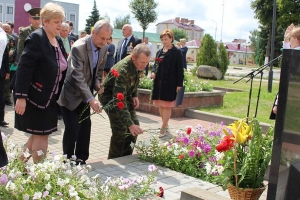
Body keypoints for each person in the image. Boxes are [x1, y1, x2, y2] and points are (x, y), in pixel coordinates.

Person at [14, 3, 67, 163]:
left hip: (50, 97)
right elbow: (24, 68)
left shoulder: (57, 40)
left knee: (39, 134)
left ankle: (18, 167)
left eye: (61, 21)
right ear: (45, 21)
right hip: (35, 97)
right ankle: (39, 173)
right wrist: (21, 96)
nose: (60, 25)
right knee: (41, 135)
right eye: (56, 21)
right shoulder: (37, 38)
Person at [57, 19, 112, 165]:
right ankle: (67, 160)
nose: (105, 42)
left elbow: (98, 71)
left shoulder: (104, 48)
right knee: (72, 127)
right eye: (102, 38)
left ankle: (81, 158)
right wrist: (91, 99)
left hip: (86, 96)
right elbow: (77, 75)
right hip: (71, 95)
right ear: (93, 32)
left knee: (85, 126)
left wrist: (98, 83)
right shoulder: (79, 47)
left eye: (107, 39)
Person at [100, 44, 151, 159]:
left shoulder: (138, 64)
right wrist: (129, 124)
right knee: (121, 129)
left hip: (124, 94)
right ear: (133, 57)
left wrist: (134, 95)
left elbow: (135, 79)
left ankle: (126, 158)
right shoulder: (123, 69)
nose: (144, 65)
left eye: (147, 63)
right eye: (142, 62)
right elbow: (118, 100)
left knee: (135, 127)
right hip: (110, 98)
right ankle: (113, 160)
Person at [150, 29, 184, 137]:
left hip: (170, 83)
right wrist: (153, 72)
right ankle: (165, 124)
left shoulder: (177, 52)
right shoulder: (159, 51)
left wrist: (179, 84)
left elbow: (180, 69)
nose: (164, 41)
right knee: (160, 105)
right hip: (159, 83)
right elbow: (155, 65)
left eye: (166, 39)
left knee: (166, 106)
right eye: (162, 39)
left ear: (171, 39)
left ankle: (163, 128)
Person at [270, 23, 300, 119]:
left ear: (295, 39)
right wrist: (286, 39)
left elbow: (285, 80)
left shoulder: (294, 55)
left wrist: (278, 103)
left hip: (288, 99)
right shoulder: (293, 54)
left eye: (290, 38)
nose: (289, 40)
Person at [2, 24, 15, 106]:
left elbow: (13, 47)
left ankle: (7, 98)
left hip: (8, 63)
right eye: (5, 28)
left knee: (7, 81)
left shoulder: (10, 38)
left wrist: (11, 51)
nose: (6, 30)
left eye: (8, 29)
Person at [0, 27, 9, 127]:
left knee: (1, 97)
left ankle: (1, 119)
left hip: (1, 72)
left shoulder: (2, 38)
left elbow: (5, 56)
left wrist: (7, 71)